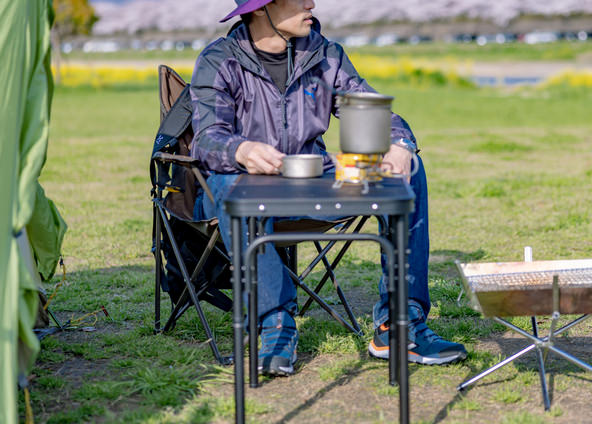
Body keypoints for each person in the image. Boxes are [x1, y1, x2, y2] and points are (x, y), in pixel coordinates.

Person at [191, 0, 467, 376]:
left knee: (411, 171)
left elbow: (368, 106)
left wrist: (400, 144)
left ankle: (399, 324)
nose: (312, 4)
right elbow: (206, 140)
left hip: (313, 186)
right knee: (226, 181)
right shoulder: (219, 60)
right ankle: (274, 325)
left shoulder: (325, 55)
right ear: (259, 9)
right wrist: (241, 149)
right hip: (245, 190)